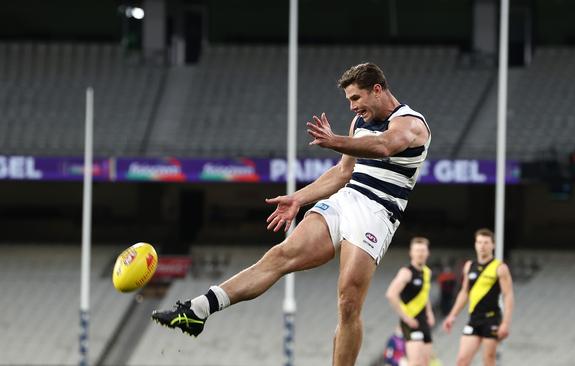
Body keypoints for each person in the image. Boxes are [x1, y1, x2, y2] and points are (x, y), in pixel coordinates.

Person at [151, 62, 431, 366]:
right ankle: (198, 310)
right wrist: (298, 198)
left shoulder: (410, 123)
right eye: (349, 100)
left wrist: (334, 140)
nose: (352, 107)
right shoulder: (359, 123)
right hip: (346, 200)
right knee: (279, 255)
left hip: (376, 213)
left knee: (348, 302)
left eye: (355, 98)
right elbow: (342, 172)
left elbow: (384, 146)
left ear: (377, 89)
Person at [442, 228, 514, 366]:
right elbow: (464, 293)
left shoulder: (500, 268)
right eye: (479, 242)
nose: (482, 246)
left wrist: (505, 323)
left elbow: (508, 295)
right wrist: (452, 315)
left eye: (486, 242)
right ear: (475, 244)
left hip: (491, 319)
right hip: (474, 319)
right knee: (462, 361)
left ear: (493, 245)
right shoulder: (469, 266)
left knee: (488, 360)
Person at [385, 237, 435, 366]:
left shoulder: (427, 272)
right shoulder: (406, 272)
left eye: (423, 250)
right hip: (410, 322)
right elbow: (391, 294)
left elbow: (424, 293)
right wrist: (406, 318)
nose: (420, 253)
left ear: (428, 253)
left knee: (425, 362)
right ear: (411, 253)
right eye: (417, 250)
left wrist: (429, 312)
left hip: (423, 320)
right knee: (414, 363)